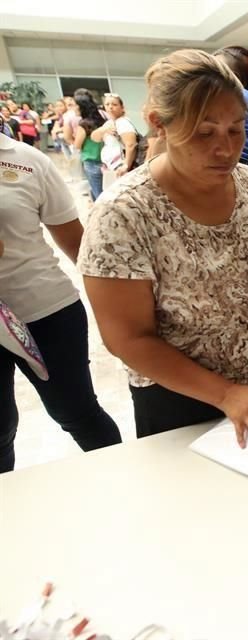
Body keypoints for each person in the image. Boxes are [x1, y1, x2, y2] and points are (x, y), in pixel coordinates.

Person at [78, 49, 248, 444]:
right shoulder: (123, 214)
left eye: (235, 130)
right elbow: (128, 338)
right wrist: (225, 394)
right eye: (204, 132)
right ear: (158, 124)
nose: (225, 149)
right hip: (185, 405)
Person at [0, 131, 122, 473]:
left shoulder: (27, 161)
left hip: (46, 312)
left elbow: (78, 246)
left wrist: (114, 313)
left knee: (77, 413)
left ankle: (122, 483)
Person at [91, 94, 141, 177]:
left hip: (120, 167)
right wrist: (103, 130)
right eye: (107, 104)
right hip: (111, 167)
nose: (110, 107)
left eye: (114, 104)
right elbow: (94, 137)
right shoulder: (109, 123)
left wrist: (126, 166)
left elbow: (131, 145)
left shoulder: (122, 122)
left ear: (122, 107)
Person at [72, 95, 106, 201]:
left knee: (98, 195)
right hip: (104, 161)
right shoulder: (102, 120)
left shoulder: (84, 124)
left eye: (75, 105)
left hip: (91, 162)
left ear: (81, 107)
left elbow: (77, 145)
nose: (73, 108)